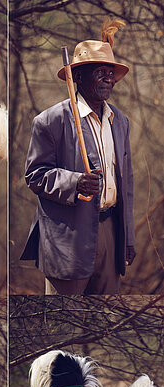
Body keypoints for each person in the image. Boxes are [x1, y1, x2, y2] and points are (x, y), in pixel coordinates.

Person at [21, 20, 135, 294]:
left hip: (111, 231)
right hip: (67, 237)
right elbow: (35, 176)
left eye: (111, 73)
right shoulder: (50, 121)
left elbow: (127, 184)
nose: (108, 78)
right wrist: (74, 183)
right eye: (100, 72)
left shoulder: (119, 120)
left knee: (103, 323)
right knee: (64, 322)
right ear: (78, 78)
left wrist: (127, 236)